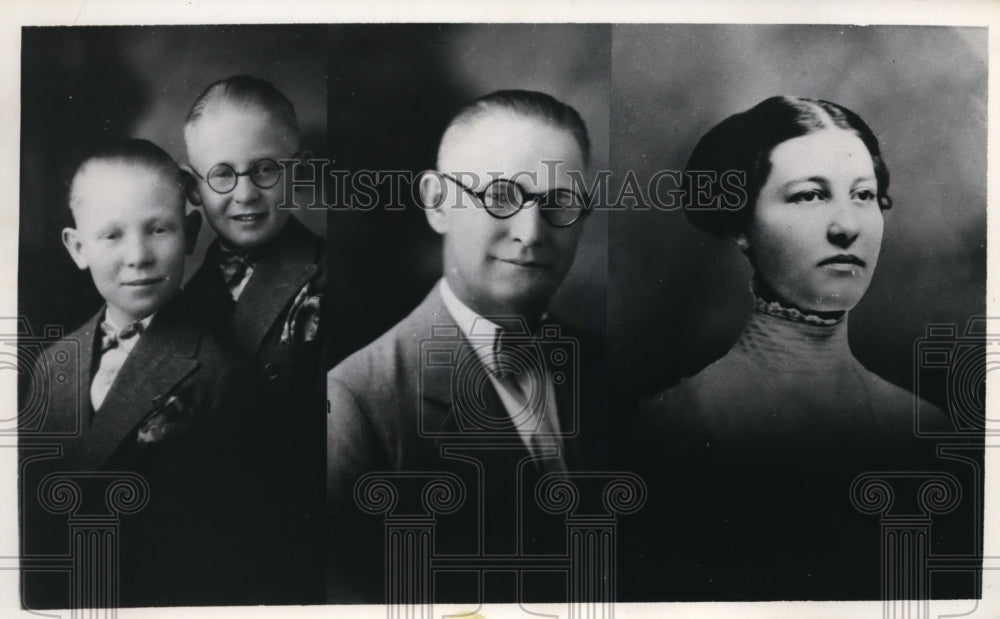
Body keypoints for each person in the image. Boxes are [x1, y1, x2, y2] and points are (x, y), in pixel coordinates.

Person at [634, 96, 955, 600]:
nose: (847, 225)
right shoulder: (665, 429)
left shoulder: (927, 432)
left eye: (864, 195)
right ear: (741, 225)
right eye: (809, 195)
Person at [326, 90, 606, 603]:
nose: (531, 233)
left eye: (559, 203)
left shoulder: (609, 368)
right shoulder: (354, 402)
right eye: (500, 196)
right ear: (437, 204)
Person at [20, 139, 273, 607]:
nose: (138, 255)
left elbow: (235, 544)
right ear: (78, 248)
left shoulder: (222, 372)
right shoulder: (53, 362)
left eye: (158, 229)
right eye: (111, 235)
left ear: (190, 234)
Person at [180, 75, 326, 602]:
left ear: (299, 171)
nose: (245, 194)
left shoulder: (330, 279)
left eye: (265, 168)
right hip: (204, 553)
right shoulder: (180, 298)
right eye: (222, 174)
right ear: (192, 189)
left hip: (297, 549)